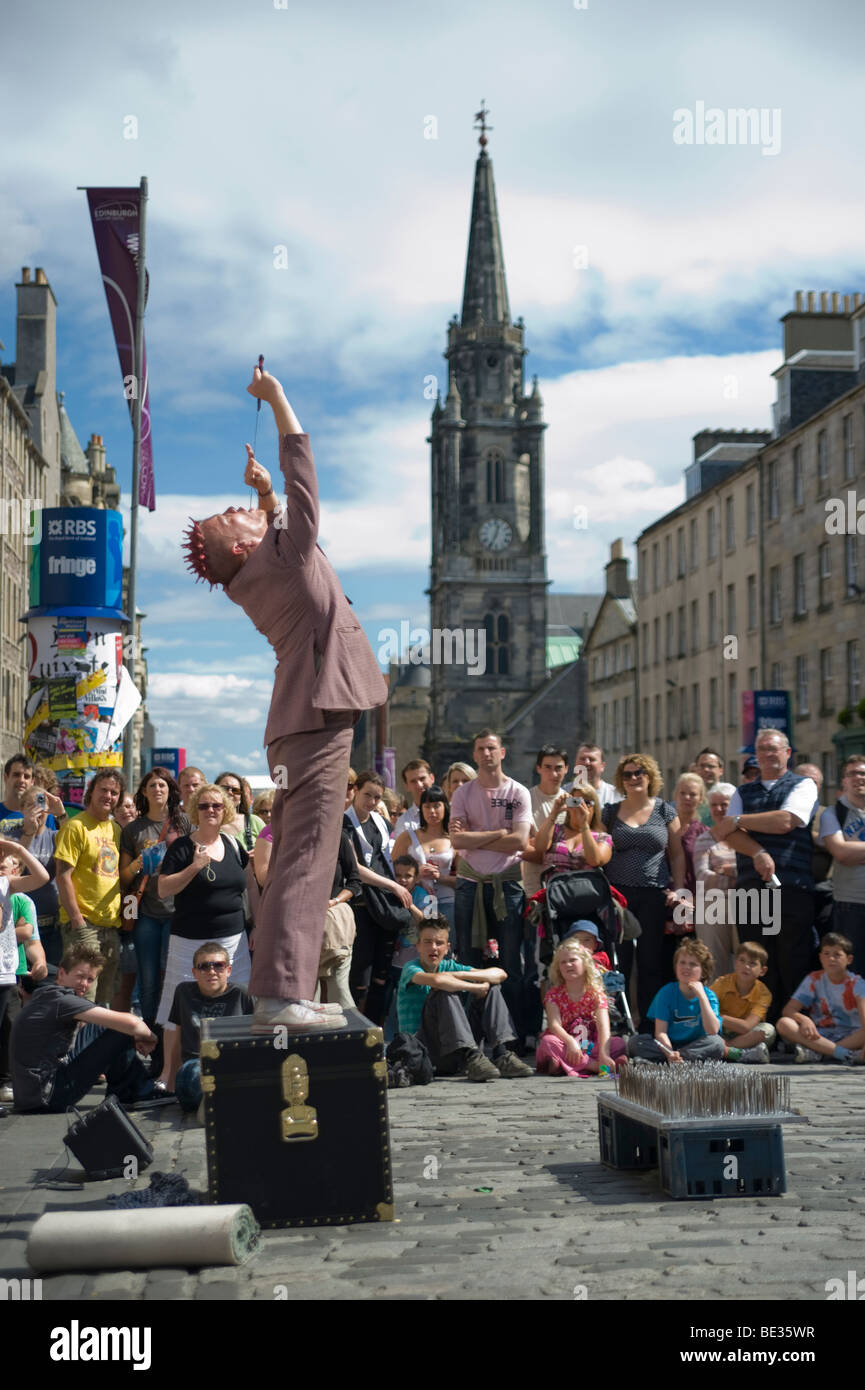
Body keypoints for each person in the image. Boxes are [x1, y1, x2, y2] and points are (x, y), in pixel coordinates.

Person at [182, 364, 387, 1028]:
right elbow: (306, 475)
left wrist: (264, 498)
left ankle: (275, 989)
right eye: (234, 514)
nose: (241, 507)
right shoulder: (285, 556)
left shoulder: (255, 574)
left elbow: (277, 522)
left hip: (294, 719)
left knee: (300, 851)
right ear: (243, 543)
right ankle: (288, 996)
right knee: (308, 855)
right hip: (318, 711)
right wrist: (277, 400)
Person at [713, 727, 818, 1024]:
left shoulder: (804, 784)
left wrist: (737, 820)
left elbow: (786, 820)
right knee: (753, 961)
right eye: (762, 749)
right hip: (751, 887)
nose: (769, 754)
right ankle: (762, 1029)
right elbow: (724, 834)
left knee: (793, 957)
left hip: (792, 886)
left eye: (775, 749)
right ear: (755, 756)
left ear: (787, 753)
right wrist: (758, 852)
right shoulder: (741, 792)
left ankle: (794, 1028)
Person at [154, 783, 254, 1091]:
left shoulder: (235, 845)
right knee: (176, 1010)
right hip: (189, 942)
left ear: (225, 811)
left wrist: (258, 926)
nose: (211, 811)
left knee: (238, 1005)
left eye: (217, 806)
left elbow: (249, 888)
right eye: (204, 806)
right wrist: (193, 868)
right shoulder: (182, 847)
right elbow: (163, 889)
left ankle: (237, 1068)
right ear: (195, 809)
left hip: (233, 942)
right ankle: (169, 1077)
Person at [449, 730, 534, 1046]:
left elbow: (521, 841)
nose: (487, 754)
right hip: (470, 883)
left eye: (492, 748)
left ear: (503, 752)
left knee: (511, 962)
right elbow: (457, 840)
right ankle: (470, 1037)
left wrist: (478, 835)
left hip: (507, 884)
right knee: (468, 961)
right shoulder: (463, 794)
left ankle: (510, 1037)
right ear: (474, 755)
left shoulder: (518, 792)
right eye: (481, 749)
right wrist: (500, 832)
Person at [9, 944, 159, 1112]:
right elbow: (132, 1024)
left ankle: (129, 1089)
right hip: (47, 1097)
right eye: (80, 976)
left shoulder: (48, 994)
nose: (84, 984)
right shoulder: (62, 1001)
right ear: (61, 973)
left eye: (90, 979)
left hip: (32, 1095)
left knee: (104, 1025)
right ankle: (135, 1092)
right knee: (120, 1029)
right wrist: (151, 1038)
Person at [601, 753, 685, 1026]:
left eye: (639, 773)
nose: (634, 778)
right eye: (627, 774)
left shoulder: (665, 811)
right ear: (620, 780)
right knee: (619, 962)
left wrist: (679, 890)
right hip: (618, 896)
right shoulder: (610, 812)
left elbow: (677, 855)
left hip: (653, 892)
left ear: (650, 777)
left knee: (650, 963)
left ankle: (651, 1026)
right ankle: (620, 1023)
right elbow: (598, 850)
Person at [396, 917, 533, 1080]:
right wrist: (474, 987)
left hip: (455, 1050)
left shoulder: (449, 966)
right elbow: (439, 981)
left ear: (447, 948)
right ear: (418, 946)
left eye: (439, 943)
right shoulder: (410, 968)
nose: (433, 947)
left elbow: (500, 974)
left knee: (491, 988)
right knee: (444, 991)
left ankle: (502, 1054)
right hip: (425, 1052)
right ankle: (472, 1055)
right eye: (427, 942)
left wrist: (460, 975)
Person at [119, 767, 191, 1066]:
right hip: (146, 914)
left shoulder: (183, 822)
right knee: (148, 983)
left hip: (178, 912)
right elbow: (123, 878)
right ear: (144, 792)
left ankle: (175, 1049)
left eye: (162, 785)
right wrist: (141, 860)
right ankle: (154, 1049)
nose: (157, 789)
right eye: (152, 785)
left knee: (174, 981)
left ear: (169, 790)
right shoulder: (133, 830)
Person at [344, 771, 413, 1024]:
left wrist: (398, 885)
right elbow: (355, 868)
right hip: (361, 904)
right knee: (359, 971)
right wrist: (393, 887)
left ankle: (375, 1029)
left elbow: (387, 861)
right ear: (355, 791)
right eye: (367, 795)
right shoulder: (344, 823)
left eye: (377, 797)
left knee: (381, 974)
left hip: (384, 904)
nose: (371, 801)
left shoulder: (381, 822)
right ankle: (353, 1026)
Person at [53, 768, 125, 1005]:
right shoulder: (75, 827)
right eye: (103, 789)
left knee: (103, 1005)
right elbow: (62, 876)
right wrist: (77, 921)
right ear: (91, 792)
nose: (109, 796)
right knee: (81, 1001)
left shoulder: (116, 830)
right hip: (84, 926)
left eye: (114, 792)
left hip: (110, 928)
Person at [168, 942, 254, 1113]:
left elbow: (257, 1034)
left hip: (232, 1062)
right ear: (194, 972)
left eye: (219, 966)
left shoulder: (242, 994)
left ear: (228, 970)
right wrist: (171, 1079)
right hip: (196, 1063)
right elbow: (177, 1037)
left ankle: (217, 1101)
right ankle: (223, 1100)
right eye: (204, 967)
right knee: (190, 1078)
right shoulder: (183, 992)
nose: (212, 971)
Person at [625, 939, 725, 1064]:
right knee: (635, 1042)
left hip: (696, 1044)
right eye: (682, 962)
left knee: (717, 1043)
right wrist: (670, 1052)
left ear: (703, 971)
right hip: (668, 1044)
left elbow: (712, 1030)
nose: (686, 967)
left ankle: (672, 1060)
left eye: (693, 964)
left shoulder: (709, 996)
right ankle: (677, 1060)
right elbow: (660, 1032)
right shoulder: (666, 992)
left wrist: (702, 996)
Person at [536, 940, 626, 1077]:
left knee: (618, 1043)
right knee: (548, 1043)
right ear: (558, 968)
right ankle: (595, 1066)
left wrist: (603, 1053)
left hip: (588, 1045)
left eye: (573, 960)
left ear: (585, 964)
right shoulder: (553, 995)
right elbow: (554, 1026)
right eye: (563, 962)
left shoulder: (596, 994)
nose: (568, 965)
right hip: (564, 1042)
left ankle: (565, 1065)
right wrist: (570, 1042)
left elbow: (603, 1026)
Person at [776, 933, 865, 1064]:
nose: (831, 959)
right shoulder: (813, 979)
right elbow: (789, 1010)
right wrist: (804, 1019)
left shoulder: (857, 983)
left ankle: (820, 1052)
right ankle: (843, 1054)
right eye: (827, 954)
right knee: (784, 1023)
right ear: (820, 957)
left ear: (849, 959)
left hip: (851, 1035)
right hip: (820, 1035)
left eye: (837, 955)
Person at [819, 755, 865, 974]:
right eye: (852, 774)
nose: (858, 778)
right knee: (853, 973)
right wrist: (847, 851)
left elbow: (848, 851)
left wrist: (854, 849)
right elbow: (840, 852)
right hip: (850, 905)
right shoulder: (833, 813)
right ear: (844, 781)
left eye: (863, 773)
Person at [392, 785, 456, 928]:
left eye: (436, 806)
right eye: (426, 806)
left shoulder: (454, 839)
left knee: (444, 945)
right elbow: (391, 869)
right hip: (415, 901)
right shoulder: (408, 836)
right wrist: (414, 875)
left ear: (445, 807)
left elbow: (464, 879)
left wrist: (439, 877)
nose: (432, 811)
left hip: (447, 901)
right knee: (414, 947)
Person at [691, 782, 739, 974]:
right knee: (713, 964)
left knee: (746, 961)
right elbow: (702, 876)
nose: (719, 810)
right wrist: (737, 875)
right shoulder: (704, 840)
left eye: (724, 804)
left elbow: (753, 871)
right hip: (712, 906)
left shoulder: (748, 837)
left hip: (747, 902)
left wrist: (728, 870)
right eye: (714, 805)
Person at [520, 744, 571, 901]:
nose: (553, 773)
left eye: (558, 768)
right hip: (534, 888)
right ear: (538, 768)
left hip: (565, 888)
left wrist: (540, 844)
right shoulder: (525, 800)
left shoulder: (570, 801)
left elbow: (576, 847)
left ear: (567, 769)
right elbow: (521, 848)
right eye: (548, 767)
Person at [711, 941, 775, 1061]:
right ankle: (742, 1053)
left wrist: (717, 1017)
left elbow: (747, 1026)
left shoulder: (764, 993)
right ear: (735, 963)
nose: (746, 966)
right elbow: (705, 1011)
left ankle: (723, 1049)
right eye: (742, 960)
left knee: (768, 1030)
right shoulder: (721, 983)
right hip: (720, 1031)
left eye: (752, 963)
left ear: (763, 971)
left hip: (744, 1036)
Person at [533, 784, 612, 876]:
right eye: (575, 801)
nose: (581, 806)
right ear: (569, 805)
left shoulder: (602, 838)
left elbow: (595, 861)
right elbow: (539, 847)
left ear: (594, 808)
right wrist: (554, 813)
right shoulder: (555, 830)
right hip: (556, 888)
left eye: (586, 802)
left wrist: (584, 825)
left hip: (585, 888)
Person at [215, 772, 265, 852]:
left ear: (240, 796)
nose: (230, 792)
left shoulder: (254, 821)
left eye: (235, 790)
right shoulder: (208, 823)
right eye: (225, 788)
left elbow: (273, 851)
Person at [566, 744, 621, 808]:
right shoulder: (564, 793)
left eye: (592, 759)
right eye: (582, 759)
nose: (586, 762)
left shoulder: (615, 796)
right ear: (575, 764)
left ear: (602, 766)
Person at [392, 760, 435, 839]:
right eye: (413, 781)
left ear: (432, 778)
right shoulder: (403, 822)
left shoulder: (449, 813)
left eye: (422, 779)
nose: (419, 785)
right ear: (407, 786)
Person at [694, 749, 725, 825]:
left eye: (711, 766)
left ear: (721, 770)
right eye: (702, 766)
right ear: (696, 769)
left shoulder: (730, 796)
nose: (706, 770)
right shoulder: (688, 798)